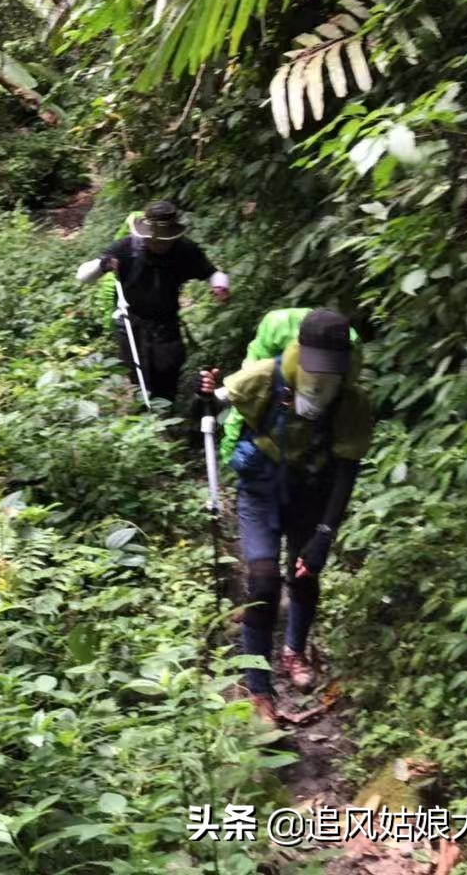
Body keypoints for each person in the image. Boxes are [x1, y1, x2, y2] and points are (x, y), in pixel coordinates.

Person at [199, 309, 372, 725]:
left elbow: (346, 469)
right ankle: (258, 688)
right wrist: (202, 392)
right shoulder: (263, 377)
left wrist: (323, 537)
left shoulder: (352, 401)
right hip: (260, 490)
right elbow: (208, 408)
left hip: (312, 493)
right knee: (262, 581)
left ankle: (294, 649)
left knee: (304, 574)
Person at [75, 200, 230, 405]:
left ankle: (166, 413)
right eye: (155, 240)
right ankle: (145, 415)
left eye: (165, 240)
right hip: (131, 322)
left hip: (167, 322)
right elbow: (83, 276)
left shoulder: (184, 250)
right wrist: (102, 265)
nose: (159, 244)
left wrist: (220, 286)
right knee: (139, 375)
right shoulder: (126, 248)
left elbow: (212, 273)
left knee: (168, 370)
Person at [217, 307, 363, 464]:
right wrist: (230, 448)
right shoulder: (267, 366)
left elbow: (350, 450)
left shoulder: (350, 377)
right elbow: (240, 393)